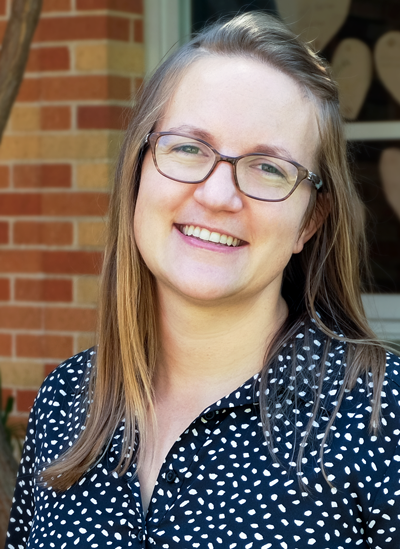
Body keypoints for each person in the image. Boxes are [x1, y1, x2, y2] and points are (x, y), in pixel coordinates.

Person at [6, 11, 400, 549]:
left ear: (309, 221)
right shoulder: (65, 401)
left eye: (269, 168)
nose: (218, 196)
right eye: (189, 148)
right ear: (139, 169)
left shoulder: (383, 414)